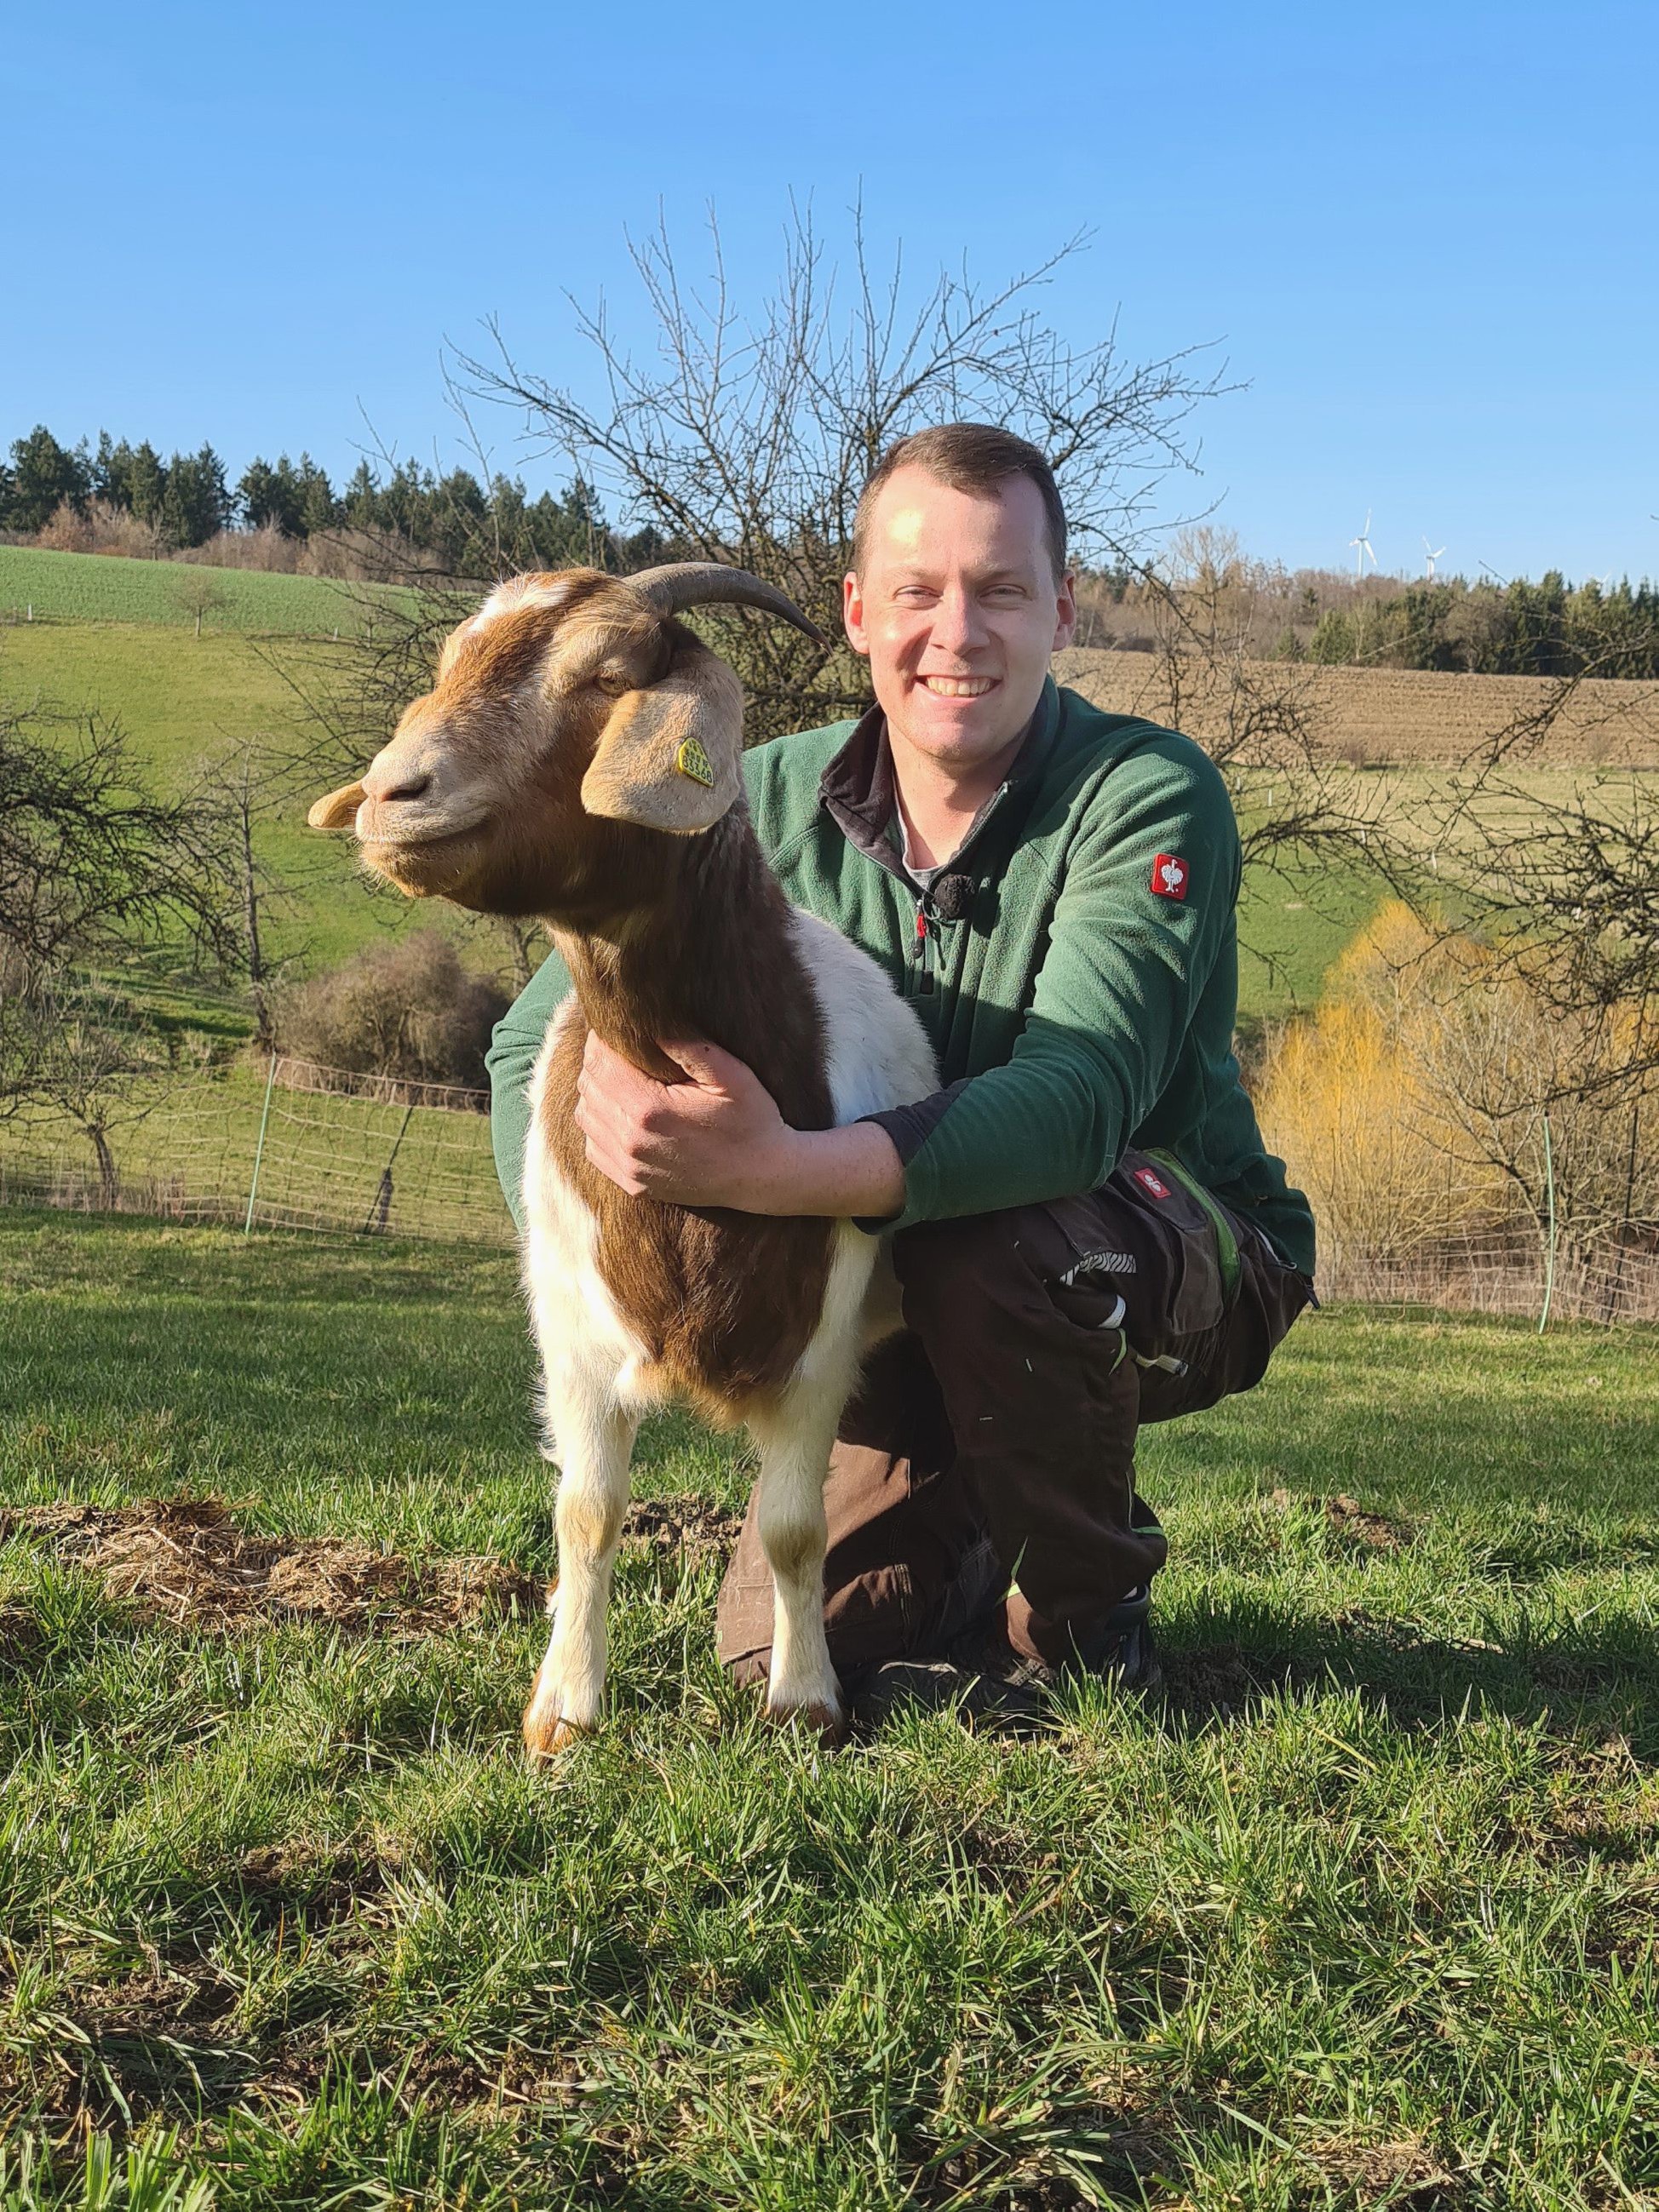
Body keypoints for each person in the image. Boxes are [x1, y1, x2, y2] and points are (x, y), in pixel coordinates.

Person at [485, 422, 1315, 1716]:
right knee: (782, 1654)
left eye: (1002, 590)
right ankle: (982, 1500)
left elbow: (1076, 1102)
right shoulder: (735, 792)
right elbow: (526, 1040)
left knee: (1008, 1246)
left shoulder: (1148, 797)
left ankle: (1093, 1627)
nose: (958, 632)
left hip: (1159, 1242)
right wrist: (595, 1240)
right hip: (880, 1288)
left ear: (1063, 609)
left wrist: (779, 1169)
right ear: (859, 612)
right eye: (919, 592)